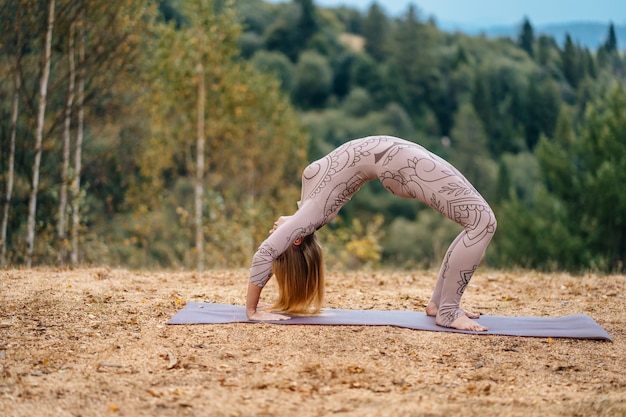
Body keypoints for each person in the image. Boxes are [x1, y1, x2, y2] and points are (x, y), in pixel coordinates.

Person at [246, 135, 497, 331]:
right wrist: (252, 310)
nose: (272, 233)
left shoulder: (306, 203)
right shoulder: (309, 215)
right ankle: (449, 311)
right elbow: (265, 254)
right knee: (482, 222)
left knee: (479, 221)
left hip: (399, 153)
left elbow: (272, 250)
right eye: (278, 238)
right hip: (400, 163)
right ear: (296, 239)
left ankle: (440, 304)